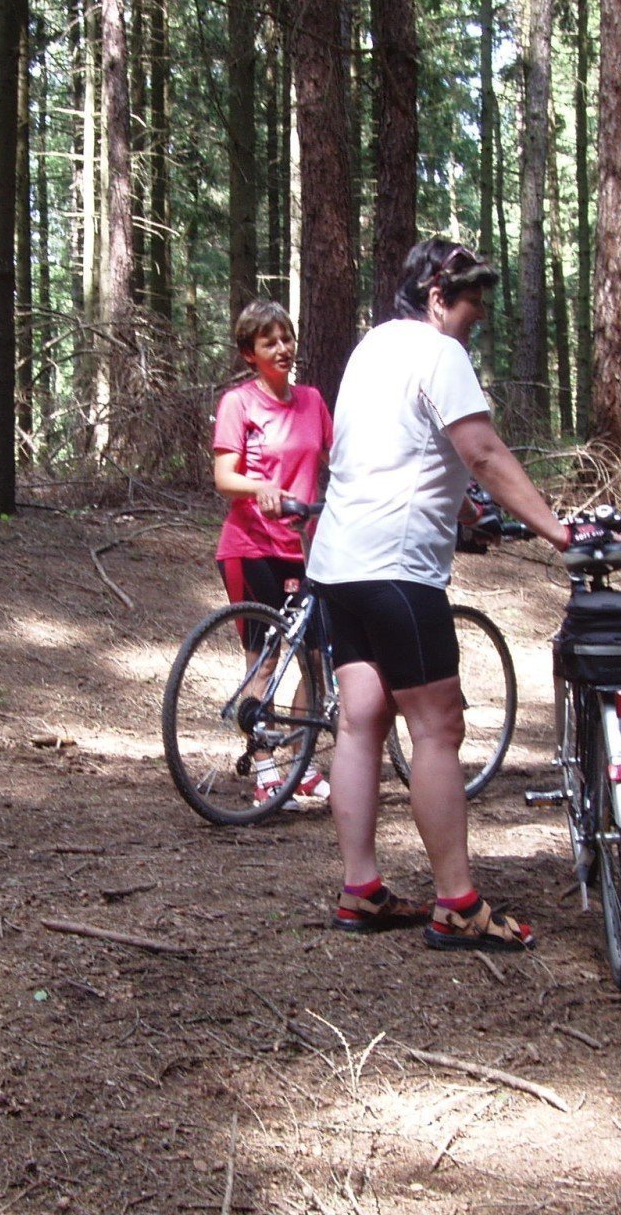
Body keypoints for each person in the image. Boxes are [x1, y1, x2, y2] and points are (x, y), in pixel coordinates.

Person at [307, 239, 576, 950]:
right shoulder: (440, 353)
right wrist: (556, 531)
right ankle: (457, 903)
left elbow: (385, 450)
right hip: (397, 571)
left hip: (337, 563)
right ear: (435, 297)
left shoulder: (371, 349)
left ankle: (360, 889)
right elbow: (482, 451)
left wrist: (461, 513)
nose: (476, 320)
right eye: (471, 307)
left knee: (362, 718)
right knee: (437, 726)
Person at [211, 300, 333, 803]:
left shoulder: (312, 401)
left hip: (302, 550)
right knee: (264, 660)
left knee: (316, 660)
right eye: (269, 342)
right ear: (249, 354)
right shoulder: (239, 403)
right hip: (251, 546)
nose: (282, 349)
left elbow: (337, 461)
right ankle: (265, 772)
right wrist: (257, 485)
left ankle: (299, 764)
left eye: (286, 338)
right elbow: (223, 478)